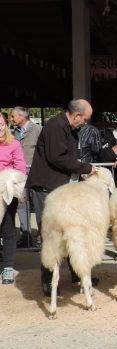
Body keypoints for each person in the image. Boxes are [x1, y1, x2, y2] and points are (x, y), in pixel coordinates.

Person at [26, 99, 96, 296]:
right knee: (50, 235)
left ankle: (77, 273)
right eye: (85, 119)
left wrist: (78, 170)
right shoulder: (56, 126)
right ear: (76, 116)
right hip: (46, 188)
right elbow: (57, 157)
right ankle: (48, 281)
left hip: (60, 188)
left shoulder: (68, 128)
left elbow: (66, 158)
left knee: (72, 231)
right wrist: (85, 168)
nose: (85, 123)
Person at [0, 112, 27, 284]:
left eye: (2, 124)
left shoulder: (14, 144)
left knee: (8, 229)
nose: (0, 128)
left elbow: (21, 168)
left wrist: (10, 180)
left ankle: (8, 267)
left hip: (7, 193)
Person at [10, 106, 41, 247]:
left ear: (22, 117)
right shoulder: (13, 133)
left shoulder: (38, 130)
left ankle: (43, 237)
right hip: (20, 176)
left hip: (36, 174)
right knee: (22, 205)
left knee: (40, 205)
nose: (11, 119)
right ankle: (26, 237)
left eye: (13, 116)